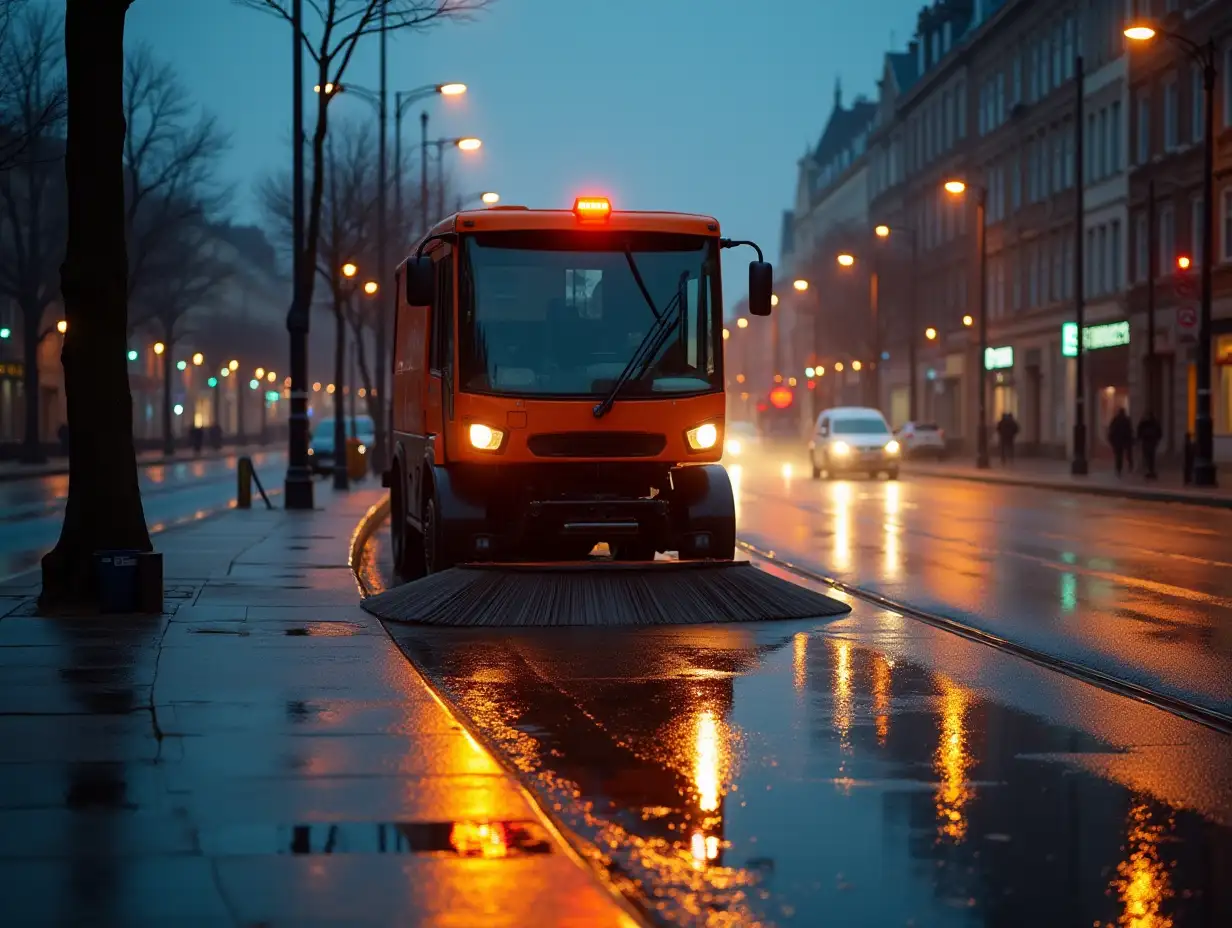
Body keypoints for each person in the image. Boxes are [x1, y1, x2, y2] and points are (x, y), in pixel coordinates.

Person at [1107, 408, 1134, 476]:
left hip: (1118, 440)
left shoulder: (1116, 419)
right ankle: (1129, 465)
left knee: (1119, 456)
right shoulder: (1126, 420)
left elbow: (1111, 429)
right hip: (1124, 440)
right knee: (1127, 454)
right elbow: (1129, 430)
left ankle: (1119, 469)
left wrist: (1111, 440)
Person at [1137, 412, 1162, 480]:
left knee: (1147, 456)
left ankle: (1149, 470)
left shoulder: (1144, 422)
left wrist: (1139, 438)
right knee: (1151, 456)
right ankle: (1151, 470)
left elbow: (1139, 430)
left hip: (1147, 441)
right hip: (1152, 441)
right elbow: (1159, 432)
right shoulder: (1155, 422)